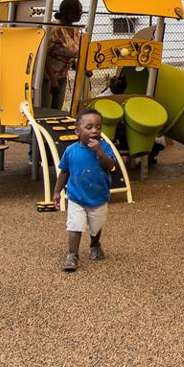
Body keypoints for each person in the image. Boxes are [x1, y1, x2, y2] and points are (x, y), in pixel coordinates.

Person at [56, 109, 120, 271]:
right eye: (89, 127)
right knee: (74, 225)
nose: (94, 131)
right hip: (76, 196)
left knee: (96, 226)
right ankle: (72, 254)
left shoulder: (105, 147)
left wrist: (99, 151)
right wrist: (57, 192)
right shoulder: (71, 150)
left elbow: (110, 165)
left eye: (98, 127)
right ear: (77, 131)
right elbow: (64, 171)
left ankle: (95, 244)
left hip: (98, 197)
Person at [42, 0, 85, 111]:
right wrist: (52, 79)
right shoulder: (54, 29)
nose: (81, 13)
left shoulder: (75, 29)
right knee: (45, 111)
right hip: (47, 76)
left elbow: (71, 53)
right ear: (69, 13)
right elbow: (43, 54)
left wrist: (80, 67)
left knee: (57, 111)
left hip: (62, 75)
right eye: (79, 11)